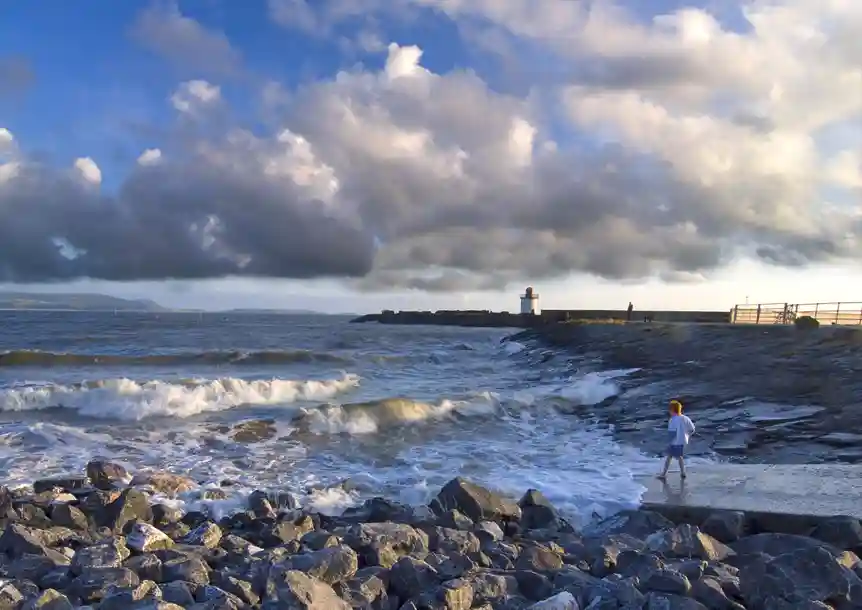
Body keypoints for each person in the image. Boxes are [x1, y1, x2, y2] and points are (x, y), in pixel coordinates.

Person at [657, 399, 695, 481]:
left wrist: (669, 442)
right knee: (679, 456)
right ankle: (683, 473)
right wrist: (687, 436)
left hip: (675, 441)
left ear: (672, 410)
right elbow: (692, 429)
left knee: (669, 456)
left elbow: (672, 432)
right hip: (683, 441)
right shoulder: (685, 418)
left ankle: (664, 474)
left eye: (669, 409)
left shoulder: (672, 420)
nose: (669, 411)